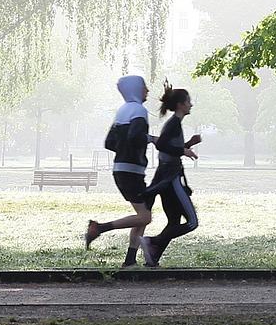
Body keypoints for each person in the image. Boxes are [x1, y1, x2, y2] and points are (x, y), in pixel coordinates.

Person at [85, 74, 158, 265]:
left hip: (122, 169)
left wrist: (125, 149)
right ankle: (99, 228)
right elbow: (135, 136)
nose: (147, 90)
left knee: (142, 216)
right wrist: (152, 140)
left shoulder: (122, 111)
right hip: (131, 171)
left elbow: (109, 142)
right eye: (144, 87)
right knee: (145, 217)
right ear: (135, 89)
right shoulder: (139, 111)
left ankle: (130, 260)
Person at [141, 84, 201, 268]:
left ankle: (153, 257)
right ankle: (152, 242)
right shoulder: (173, 123)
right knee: (191, 222)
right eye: (189, 102)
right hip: (171, 177)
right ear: (181, 105)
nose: (191, 105)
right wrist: (183, 149)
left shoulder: (174, 124)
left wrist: (187, 144)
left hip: (166, 177)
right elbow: (161, 145)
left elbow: (169, 147)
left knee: (174, 221)